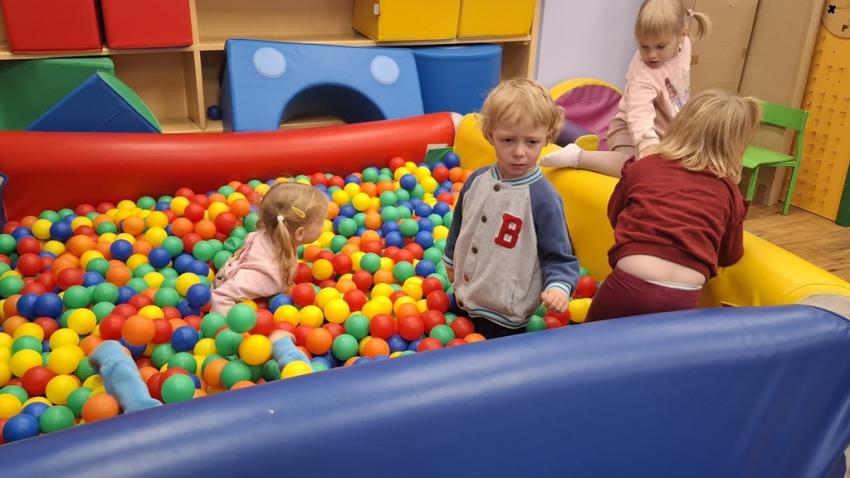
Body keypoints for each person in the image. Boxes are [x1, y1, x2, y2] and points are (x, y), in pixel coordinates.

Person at [585, 90, 761, 322]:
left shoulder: (644, 167)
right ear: (737, 146)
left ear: (679, 125)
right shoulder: (729, 191)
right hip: (684, 295)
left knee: (590, 337)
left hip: (631, 282)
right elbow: (730, 255)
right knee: (658, 345)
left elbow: (615, 214)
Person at [444, 78, 580, 338]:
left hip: (504, 312)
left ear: (546, 139)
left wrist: (559, 287)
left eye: (531, 142)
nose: (519, 152)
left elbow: (560, 254)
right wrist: (450, 259)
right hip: (464, 294)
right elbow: (460, 224)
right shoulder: (477, 180)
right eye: (508, 140)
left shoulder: (543, 197)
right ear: (490, 135)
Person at [541, 0, 710, 177]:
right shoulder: (643, 77)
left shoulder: (685, 45)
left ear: (682, 34)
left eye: (660, 46)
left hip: (666, 131)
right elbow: (639, 114)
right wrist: (648, 147)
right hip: (629, 131)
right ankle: (578, 157)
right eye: (644, 46)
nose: (651, 55)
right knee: (635, 167)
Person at [211, 181, 328, 316]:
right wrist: (232, 326)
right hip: (232, 301)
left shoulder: (270, 232)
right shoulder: (268, 272)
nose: (323, 225)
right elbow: (220, 296)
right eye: (320, 222)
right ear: (300, 233)